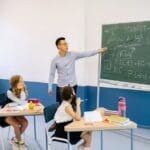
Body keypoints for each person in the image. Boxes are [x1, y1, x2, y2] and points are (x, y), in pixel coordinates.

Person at [48, 37, 107, 103]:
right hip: (62, 87)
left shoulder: (73, 54)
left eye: (67, 44)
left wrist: (98, 51)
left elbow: (85, 53)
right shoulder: (55, 60)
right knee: (62, 107)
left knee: (73, 106)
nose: (67, 46)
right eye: (64, 44)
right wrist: (50, 87)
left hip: (73, 85)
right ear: (58, 46)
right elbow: (51, 74)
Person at [54, 86, 92, 150]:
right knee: (88, 134)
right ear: (71, 95)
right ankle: (81, 147)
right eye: (74, 92)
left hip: (65, 127)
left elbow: (75, 117)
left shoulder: (66, 104)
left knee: (89, 131)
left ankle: (82, 147)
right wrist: (78, 104)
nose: (75, 94)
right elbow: (78, 118)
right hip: (63, 131)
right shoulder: (67, 106)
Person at [0, 75, 28, 145]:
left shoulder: (22, 89)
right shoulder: (9, 92)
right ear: (15, 83)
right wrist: (12, 104)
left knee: (25, 123)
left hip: (16, 111)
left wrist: (11, 104)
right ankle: (19, 142)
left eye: (22, 81)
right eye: (20, 81)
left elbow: (22, 102)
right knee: (16, 125)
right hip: (6, 113)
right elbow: (21, 102)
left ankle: (15, 139)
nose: (22, 83)